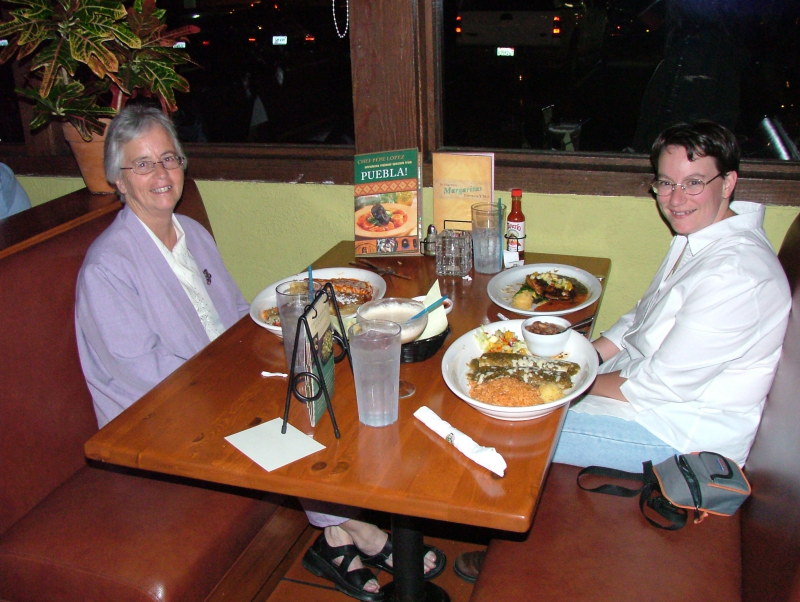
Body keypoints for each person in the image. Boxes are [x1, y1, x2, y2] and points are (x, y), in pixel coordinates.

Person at [75, 104, 444, 602]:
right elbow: (144, 377)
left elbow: (235, 314)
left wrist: (287, 348)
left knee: (320, 380)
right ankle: (356, 530)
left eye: (169, 158)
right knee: (291, 414)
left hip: (213, 384)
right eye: (142, 164)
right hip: (157, 419)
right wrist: (240, 390)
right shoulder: (108, 267)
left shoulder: (191, 234)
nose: (160, 174)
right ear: (118, 180)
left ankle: (339, 533)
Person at [454, 120, 791, 583]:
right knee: (504, 389)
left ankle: (508, 549)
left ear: (728, 181)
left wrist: (560, 377)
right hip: (648, 399)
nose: (675, 199)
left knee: (506, 424)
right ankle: (503, 533)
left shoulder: (735, 275)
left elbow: (655, 388)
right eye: (666, 183)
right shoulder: (700, 238)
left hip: (677, 433)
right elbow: (640, 317)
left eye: (694, 182)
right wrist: (584, 353)